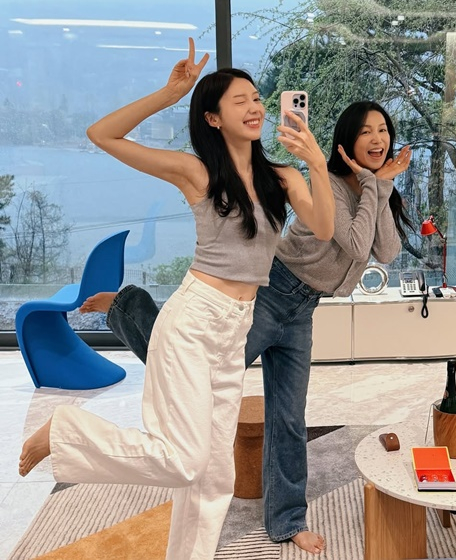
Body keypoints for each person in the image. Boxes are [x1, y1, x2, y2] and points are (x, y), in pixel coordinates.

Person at [18, 38, 335, 560]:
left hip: (236, 326)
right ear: (212, 118)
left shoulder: (282, 176)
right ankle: (68, 431)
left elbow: (323, 228)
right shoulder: (197, 173)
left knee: (214, 476)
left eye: (257, 98)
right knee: (184, 460)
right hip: (193, 321)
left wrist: (316, 164)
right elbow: (101, 134)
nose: (255, 107)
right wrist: (170, 93)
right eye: (240, 101)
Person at [80, 99, 413, 555]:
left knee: (289, 417)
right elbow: (357, 245)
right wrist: (377, 185)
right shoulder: (331, 186)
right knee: (183, 367)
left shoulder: (377, 189)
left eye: (384, 131)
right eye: (366, 132)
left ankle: (287, 521)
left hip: (304, 310)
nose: (378, 140)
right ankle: (127, 305)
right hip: (270, 293)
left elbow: (387, 252)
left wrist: (382, 186)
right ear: (346, 142)